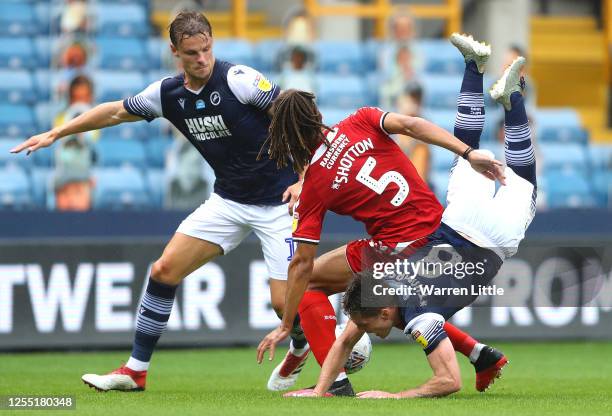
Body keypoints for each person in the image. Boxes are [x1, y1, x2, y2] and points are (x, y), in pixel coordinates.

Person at [11, 11, 309, 392]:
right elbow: (116, 111)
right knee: (164, 270)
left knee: (284, 305)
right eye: (191, 53)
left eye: (206, 50)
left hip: (278, 202)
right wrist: (57, 131)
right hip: (229, 200)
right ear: (174, 52)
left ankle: (301, 346)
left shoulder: (240, 80)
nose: (202, 59)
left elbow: (298, 117)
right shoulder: (168, 94)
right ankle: (135, 371)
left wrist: (305, 178)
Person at [260, 35, 537, 399]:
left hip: (412, 241)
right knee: (493, 163)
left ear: (285, 136)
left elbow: (301, 261)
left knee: (308, 284)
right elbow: (412, 125)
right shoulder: (360, 119)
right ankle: (487, 78)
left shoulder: (316, 186)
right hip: (440, 222)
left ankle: (336, 383)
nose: (372, 331)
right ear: (317, 115)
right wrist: (468, 153)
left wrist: (286, 321)